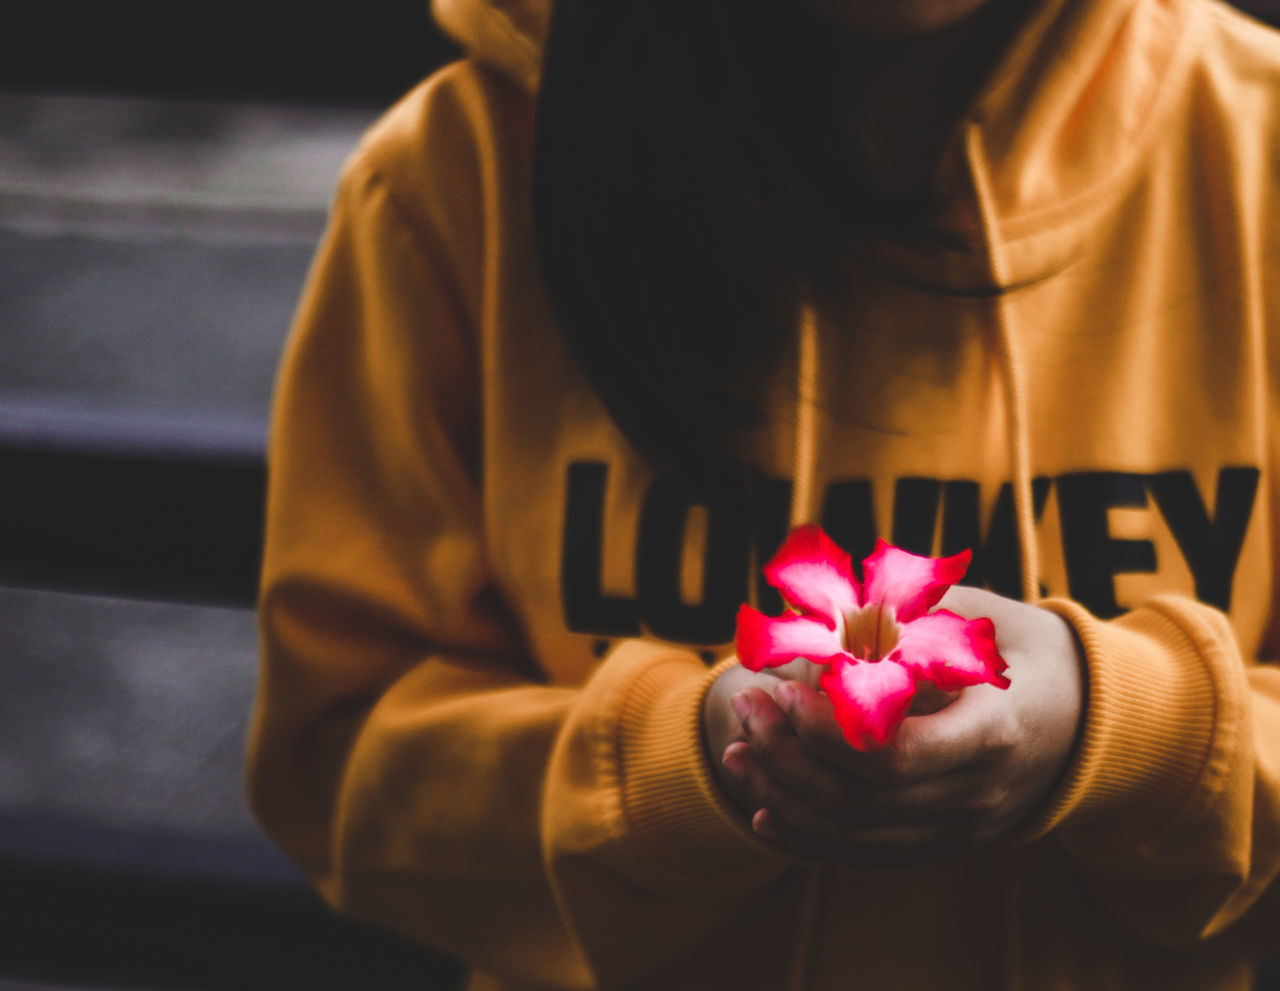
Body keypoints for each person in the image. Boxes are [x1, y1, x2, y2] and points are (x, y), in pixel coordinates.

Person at [246, 0, 1280, 987]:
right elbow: (337, 769)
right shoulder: (458, 174)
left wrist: (1134, 735)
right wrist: (672, 772)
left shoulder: (1256, 147)